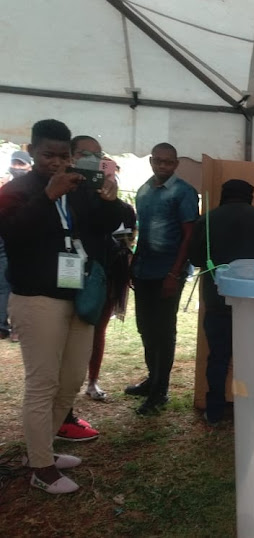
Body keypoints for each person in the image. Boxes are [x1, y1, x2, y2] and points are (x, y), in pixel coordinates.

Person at [0, 119, 124, 493]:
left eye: (63, 155)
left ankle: (43, 450)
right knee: (43, 382)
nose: (56, 162)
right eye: (47, 155)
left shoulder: (79, 186)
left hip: (78, 295)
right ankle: (40, 467)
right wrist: (47, 197)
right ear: (33, 150)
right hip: (37, 297)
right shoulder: (15, 190)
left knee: (70, 380)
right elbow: (13, 234)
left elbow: (103, 227)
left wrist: (110, 200)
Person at [188, 179, 254, 426]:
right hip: (253, 302)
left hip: (218, 300)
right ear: (249, 197)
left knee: (218, 357)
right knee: (252, 358)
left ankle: (214, 410)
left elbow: (195, 257)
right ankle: (251, 407)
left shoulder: (208, 219)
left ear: (224, 195)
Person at [126, 143, 198, 415]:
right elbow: (142, 230)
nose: (162, 166)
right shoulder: (144, 190)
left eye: (167, 162)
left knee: (163, 330)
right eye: (157, 161)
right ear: (151, 161)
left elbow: (189, 235)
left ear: (176, 163)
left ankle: (160, 390)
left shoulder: (184, 192)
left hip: (168, 272)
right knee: (145, 327)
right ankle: (151, 379)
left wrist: (174, 273)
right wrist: (134, 262)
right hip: (144, 269)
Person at [69, 136, 137, 401]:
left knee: (97, 329)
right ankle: (70, 388)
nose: (95, 163)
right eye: (84, 154)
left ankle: (92, 380)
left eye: (100, 159)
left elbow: (127, 239)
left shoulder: (122, 207)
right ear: (71, 158)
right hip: (71, 272)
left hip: (108, 273)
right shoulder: (64, 194)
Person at [0, 151, 33, 341]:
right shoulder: (6, 185)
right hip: (5, 241)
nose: (17, 167)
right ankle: (6, 325)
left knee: (19, 285)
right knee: (6, 283)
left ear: (29, 165)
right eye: (15, 164)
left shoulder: (36, 187)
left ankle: (17, 328)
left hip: (28, 245)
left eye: (21, 164)